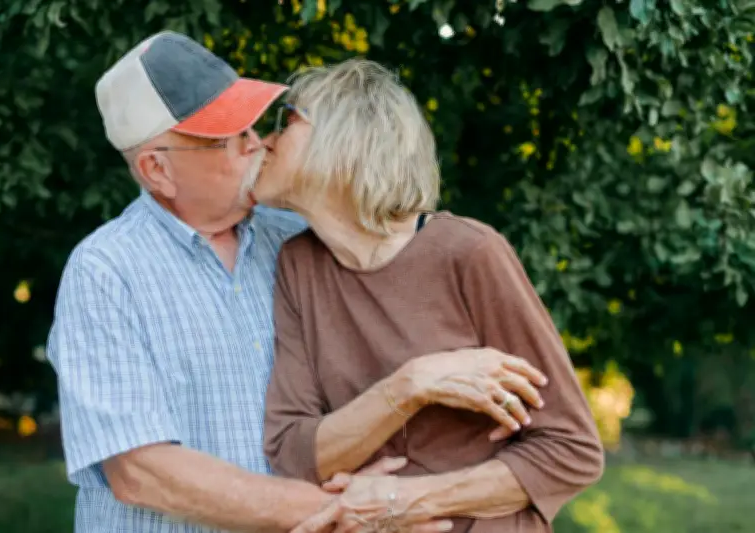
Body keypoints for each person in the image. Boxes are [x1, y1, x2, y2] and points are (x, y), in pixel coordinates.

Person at [45, 31, 548, 533]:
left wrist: (407, 492)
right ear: (158, 170)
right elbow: (142, 472)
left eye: (254, 125)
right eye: (229, 137)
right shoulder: (107, 272)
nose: (257, 144)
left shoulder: (302, 240)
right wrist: (346, 512)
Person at [257, 58, 605, 533]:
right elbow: (295, 453)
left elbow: (571, 449)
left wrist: (405, 500)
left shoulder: (470, 253)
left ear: (346, 140)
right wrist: (414, 383)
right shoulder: (298, 264)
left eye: (289, 120)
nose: (263, 139)